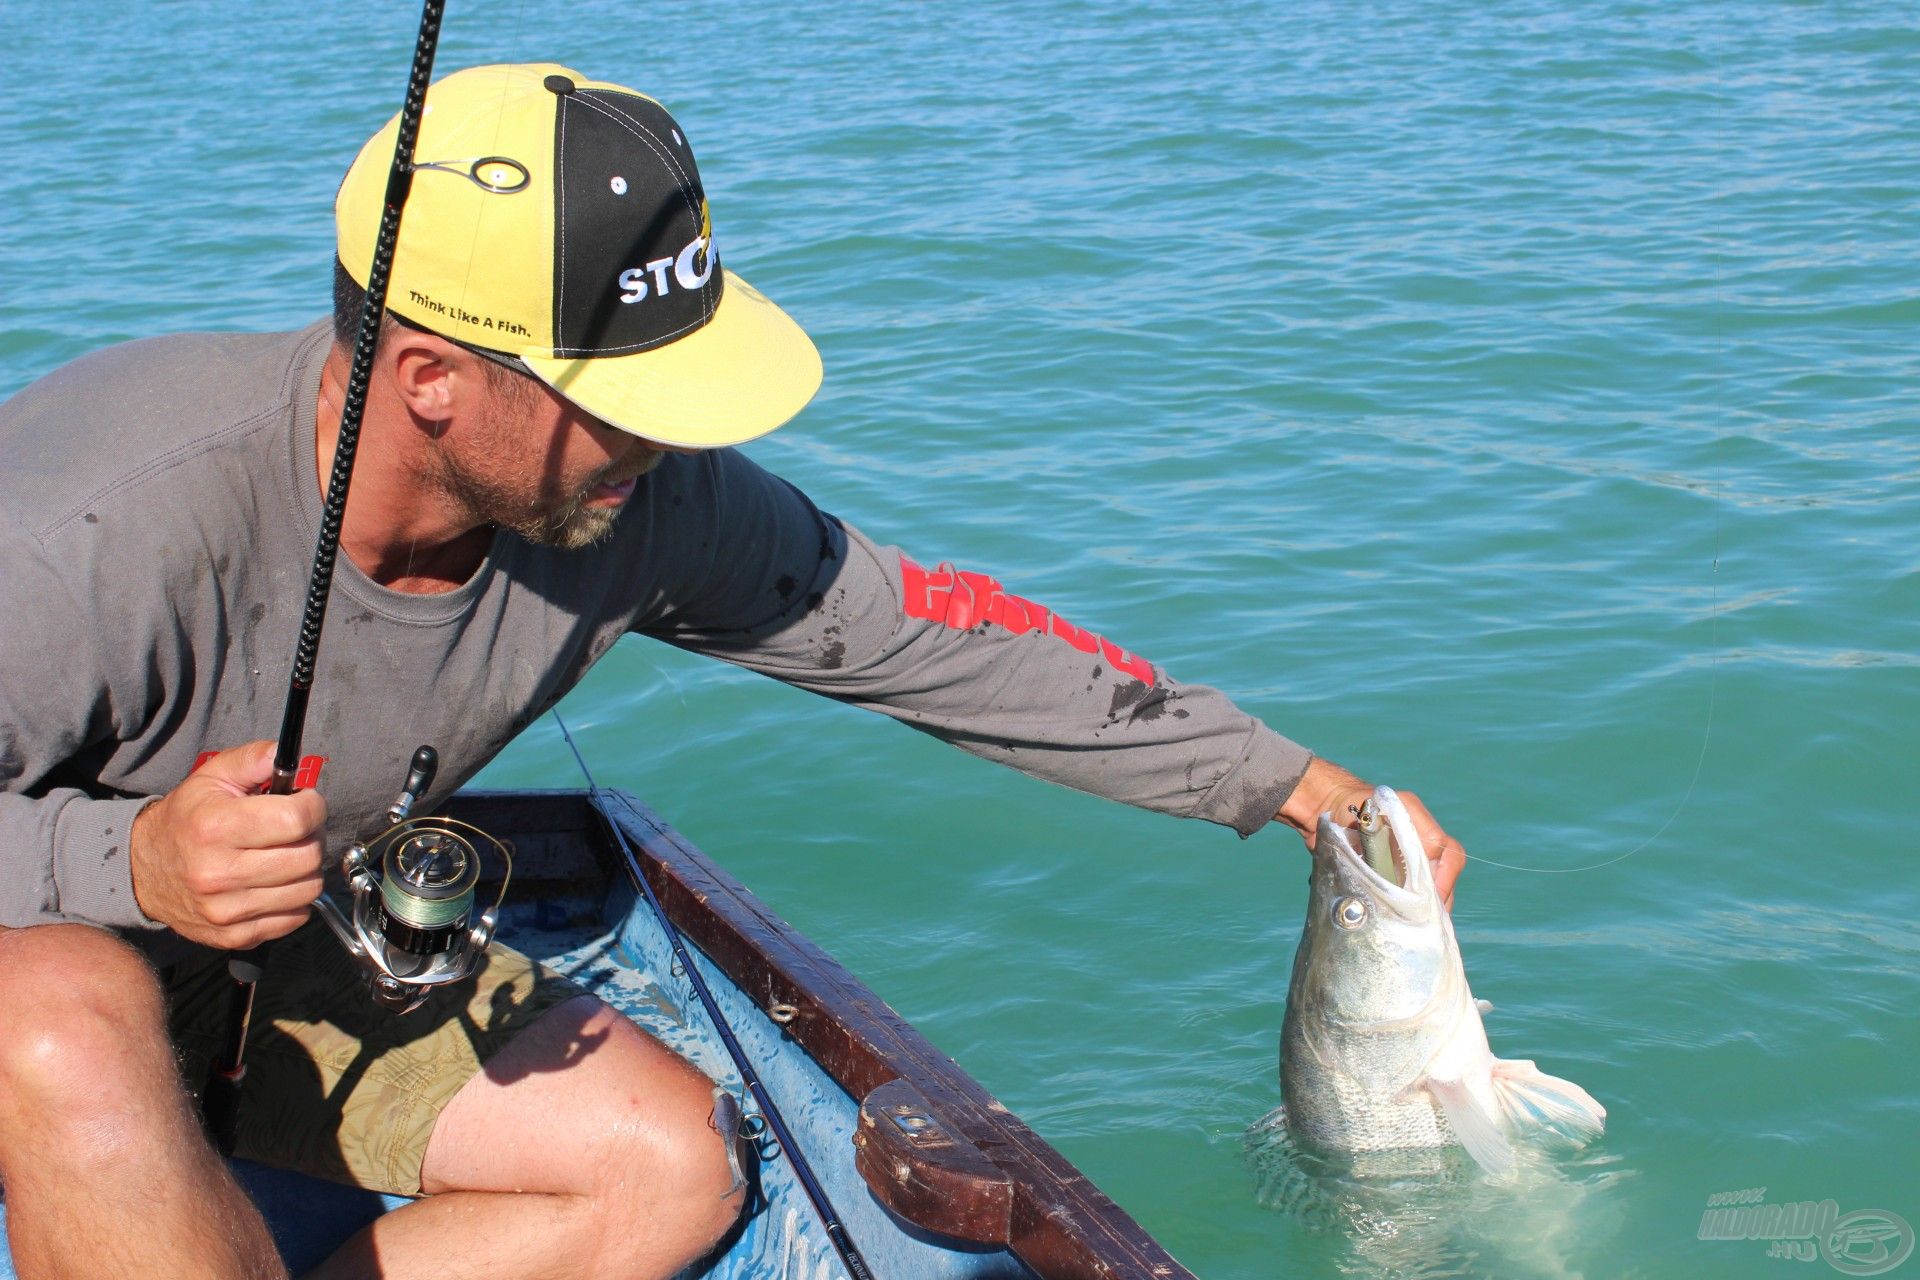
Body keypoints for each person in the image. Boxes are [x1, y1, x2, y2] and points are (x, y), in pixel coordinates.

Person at [0, 63, 1465, 1280]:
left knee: (670, 1167)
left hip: (266, 955)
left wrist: (1293, 786)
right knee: (64, 1013)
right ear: (430, 381)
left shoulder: (635, 499)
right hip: (47, 956)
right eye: (621, 401)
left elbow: (935, 635)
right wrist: (120, 857)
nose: (667, 443)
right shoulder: (89, 527)